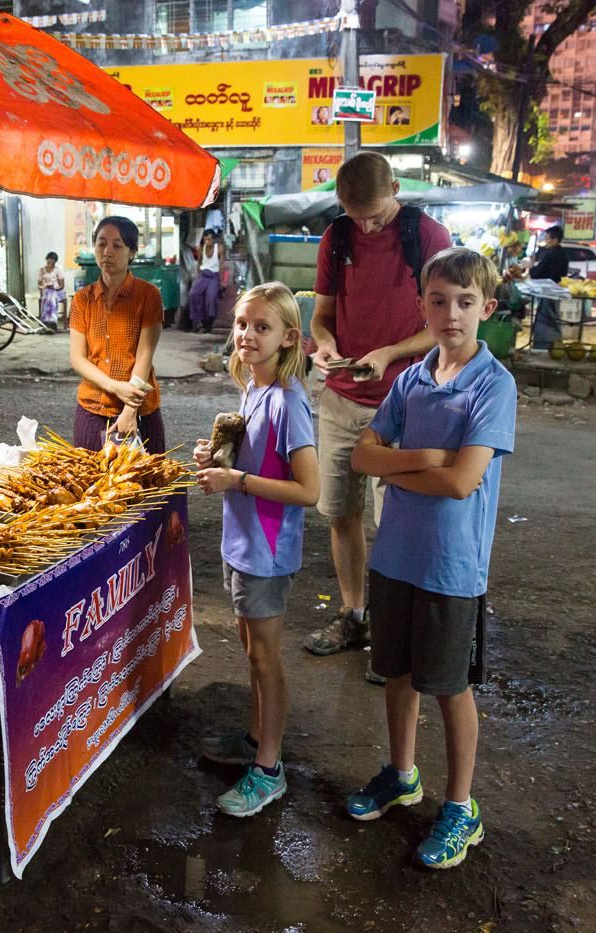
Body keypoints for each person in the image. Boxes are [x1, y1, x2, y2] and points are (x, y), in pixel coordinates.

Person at [345, 247, 516, 870]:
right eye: (439, 301)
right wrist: (429, 458)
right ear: (422, 306)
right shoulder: (413, 377)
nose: (451, 314)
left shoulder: (494, 385)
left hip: (451, 565)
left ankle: (461, 805)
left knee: (449, 686)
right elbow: (363, 457)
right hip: (394, 557)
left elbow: (463, 483)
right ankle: (401, 772)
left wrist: (410, 467)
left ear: (486, 309)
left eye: (465, 303)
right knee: (395, 672)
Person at [302, 151, 451, 659]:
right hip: (342, 401)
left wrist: (389, 353)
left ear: (395, 190)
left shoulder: (429, 237)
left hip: (405, 404)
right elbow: (321, 316)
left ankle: (394, 631)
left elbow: (442, 325)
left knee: (398, 523)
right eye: (353, 212)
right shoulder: (336, 237)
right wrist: (324, 345)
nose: (364, 224)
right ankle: (354, 615)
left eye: (373, 213)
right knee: (341, 513)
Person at [192, 282, 320, 817]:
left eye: (262, 327)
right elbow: (251, 459)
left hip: (267, 552)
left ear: (290, 338)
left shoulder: (290, 402)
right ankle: (253, 738)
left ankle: (268, 770)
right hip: (241, 544)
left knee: (267, 660)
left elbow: (308, 491)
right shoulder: (253, 390)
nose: (247, 335)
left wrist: (237, 480)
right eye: (243, 324)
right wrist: (217, 456)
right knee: (252, 652)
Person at [68, 216, 166, 452]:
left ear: (132, 252)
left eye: (117, 245)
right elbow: (77, 359)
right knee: (88, 482)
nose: (107, 252)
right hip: (92, 406)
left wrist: (129, 411)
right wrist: (114, 387)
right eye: (101, 244)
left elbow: (144, 357)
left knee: (148, 484)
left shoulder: (148, 296)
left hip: (140, 408)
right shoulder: (82, 300)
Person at [527, 225, 569, 350]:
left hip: (547, 292)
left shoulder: (551, 254)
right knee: (553, 319)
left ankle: (544, 346)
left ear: (555, 239)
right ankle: (554, 345)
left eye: (548, 238)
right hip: (556, 292)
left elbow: (536, 273)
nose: (546, 240)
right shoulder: (563, 254)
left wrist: (531, 267)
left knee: (546, 319)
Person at [189, 229, 226, 334]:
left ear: (213, 240)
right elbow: (199, 263)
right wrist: (197, 277)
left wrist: (222, 280)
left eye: (209, 239)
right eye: (205, 240)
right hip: (203, 275)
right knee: (193, 294)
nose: (207, 242)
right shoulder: (201, 248)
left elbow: (222, 264)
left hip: (214, 276)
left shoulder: (219, 248)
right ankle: (198, 322)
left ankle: (208, 325)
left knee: (211, 297)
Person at [37, 251, 67, 331]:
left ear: (55, 262)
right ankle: (47, 321)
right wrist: (43, 287)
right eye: (49, 262)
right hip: (46, 291)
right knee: (48, 295)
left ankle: (51, 322)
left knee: (51, 296)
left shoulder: (58, 269)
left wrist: (54, 287)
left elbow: (62, 285)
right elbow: (39, 285)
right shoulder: (42, 270)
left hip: (58, 292)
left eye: (52, 263)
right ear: (46, 260)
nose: (50, 264)